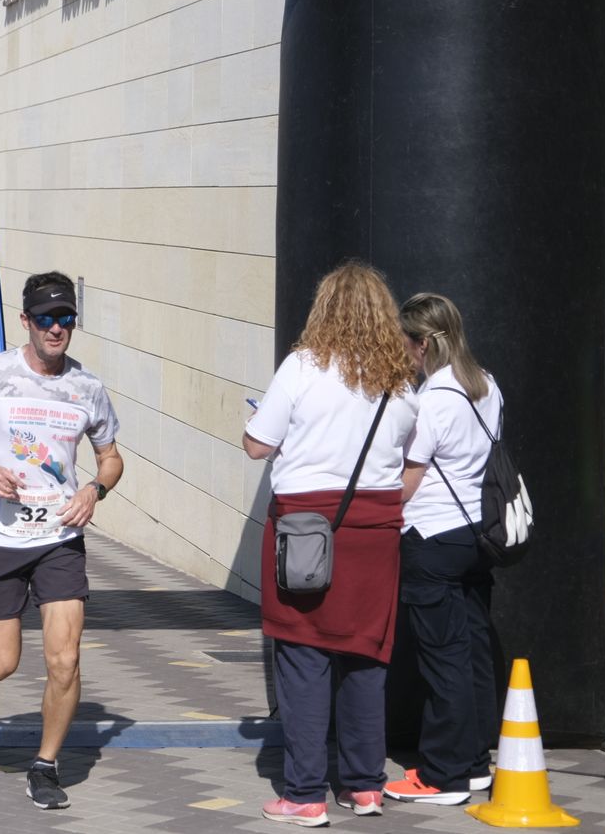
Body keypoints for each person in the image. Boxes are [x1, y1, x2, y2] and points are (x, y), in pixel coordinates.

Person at [0, 272, 123, 811]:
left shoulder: (88, 388)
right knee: (4, 660)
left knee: (65, 660)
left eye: (66, 318)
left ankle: (45, 765)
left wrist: (95, 488)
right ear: (26, 321)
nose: (57, 329)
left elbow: (111, 457)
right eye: (46, 318)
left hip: (60, 536)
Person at [242, 262, 418, 826]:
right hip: (377, 534)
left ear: (324, 310)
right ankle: (365, 786)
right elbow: (404, 448)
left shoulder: (301, 367)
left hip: (305, 531)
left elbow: (256, 445)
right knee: (367, 656)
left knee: (303, 655)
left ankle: (304, 794)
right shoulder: (398, 379)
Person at [382, 293, 503, 807]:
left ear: (424, 342)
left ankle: (443, 776)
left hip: (431, 539)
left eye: (406, 343)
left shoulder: (431, 399)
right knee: (472, 650)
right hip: (476, 537)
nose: (403, 352)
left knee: (442, 659)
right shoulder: (488, 386)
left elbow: (408, 483)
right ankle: (475, 763)